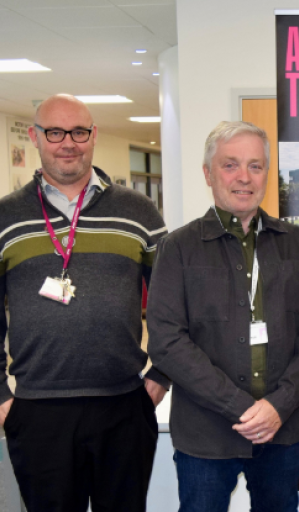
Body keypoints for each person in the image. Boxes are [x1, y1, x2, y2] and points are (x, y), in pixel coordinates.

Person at [147, 121, 299, 512]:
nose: (244, 178)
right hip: (206, 433)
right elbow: (167, 341)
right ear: (208, 173)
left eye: (256, 165)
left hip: (280, 431)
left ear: (267, 172)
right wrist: (242, 407)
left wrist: (278, 405)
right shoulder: (178, 248)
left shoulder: (297, 243)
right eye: (230, 165)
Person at [0, 94, 168, 511]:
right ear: (36, 138)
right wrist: (1, 395)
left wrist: (161, 375)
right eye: (55, 132)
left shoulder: (138, 210)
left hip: (124, 404)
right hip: (38, 408)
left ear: (93, 135)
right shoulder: (6, 217)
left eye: (79, 131)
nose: (68, 142)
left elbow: (173, 302)